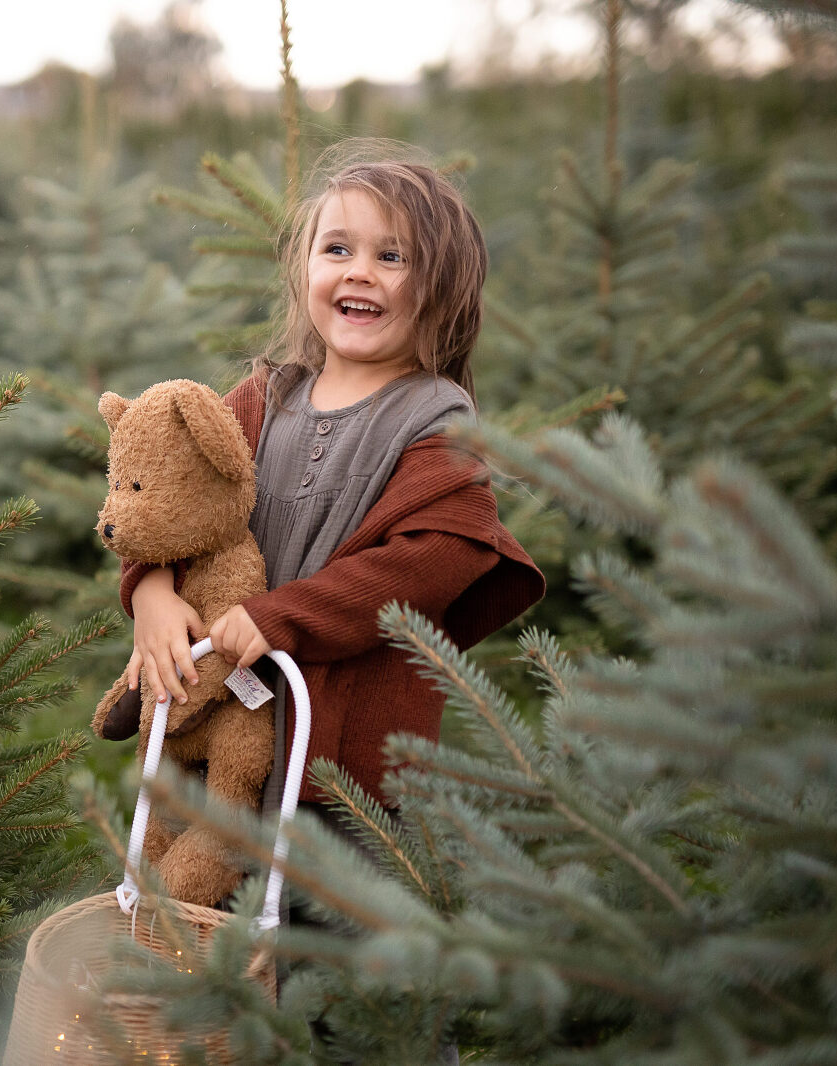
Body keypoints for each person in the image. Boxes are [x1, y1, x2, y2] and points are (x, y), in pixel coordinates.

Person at [113, 142, 545, 856]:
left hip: (339, 771)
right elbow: (167, 499)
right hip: (222, 734)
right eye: (337, 248)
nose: (359, 272)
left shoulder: (435, 420)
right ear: (306, 268)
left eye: (392, 258)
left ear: (441, 287)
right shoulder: (262, 399)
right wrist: (151, 591)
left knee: (318, 935)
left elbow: (434, 558)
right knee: (199, 923)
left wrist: (281, 617)